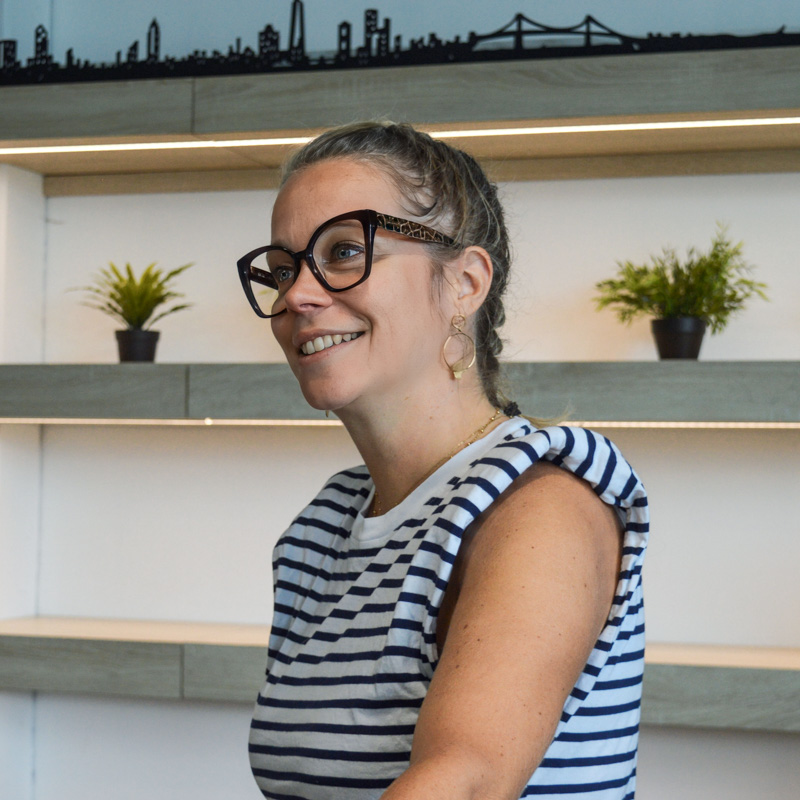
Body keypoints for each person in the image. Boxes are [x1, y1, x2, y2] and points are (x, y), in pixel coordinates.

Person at [237, 120, 649, 800]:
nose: (295, 296)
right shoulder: (324, 527)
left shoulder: (539, 501)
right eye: (283, 269)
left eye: (342, 251)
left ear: (464, 282)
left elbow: (464, 782)